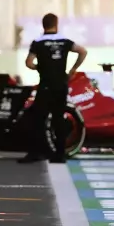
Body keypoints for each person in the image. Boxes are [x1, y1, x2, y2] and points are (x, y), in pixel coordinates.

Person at [19, 13, 88, 164]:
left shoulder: (38, 42)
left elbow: (28, 63)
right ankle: (60, 154)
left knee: (37, 119)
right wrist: (73, 70)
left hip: (45, 86)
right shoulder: (65, 41)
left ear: (43, 25)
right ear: (56, 24)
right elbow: (83, 51)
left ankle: (35, 152)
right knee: (58, 119)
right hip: (61, 85)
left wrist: (40, 67)